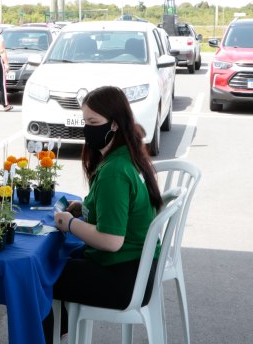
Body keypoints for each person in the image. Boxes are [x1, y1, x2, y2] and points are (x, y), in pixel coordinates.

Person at [43, 86, 163, 343]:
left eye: (94, 123)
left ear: (116, 125)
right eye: (85, 122)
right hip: (137, 270)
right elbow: (116, 212)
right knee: (54, 263)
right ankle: (60, 332)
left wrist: (70, 223)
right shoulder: (127, 155)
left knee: (39, 275)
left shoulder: (114, 171)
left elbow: (111, 240)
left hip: (123, 279)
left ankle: (46, 336)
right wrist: (84, 210)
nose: (87, 129)